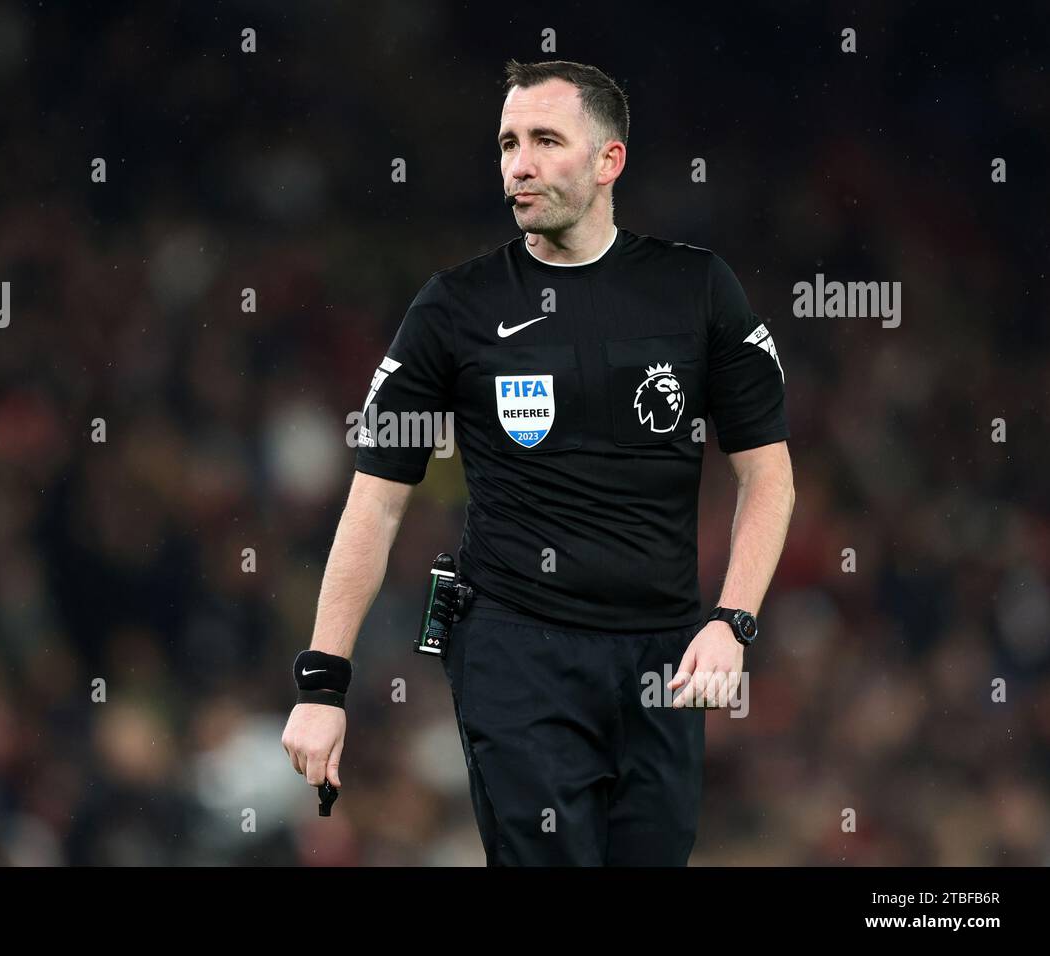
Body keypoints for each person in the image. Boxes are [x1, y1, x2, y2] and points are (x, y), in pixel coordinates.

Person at [281, 58, 795, 865]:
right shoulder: (456, 307)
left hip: (662, 657)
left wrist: (731, 623)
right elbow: (376, 503)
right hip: (516, 648)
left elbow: (768, 474)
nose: (518, 164)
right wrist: (322, 684)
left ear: (607, 161)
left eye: (546, 140)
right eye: (507, 143)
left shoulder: (695, 289)